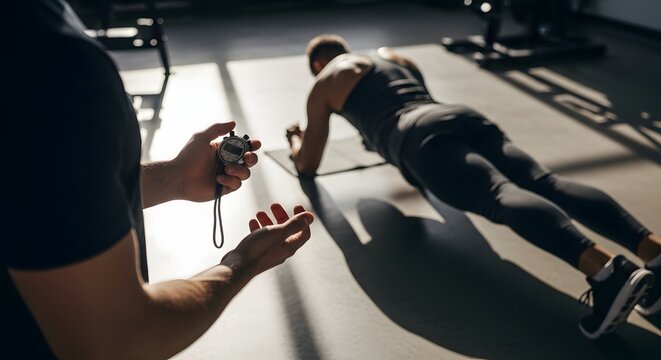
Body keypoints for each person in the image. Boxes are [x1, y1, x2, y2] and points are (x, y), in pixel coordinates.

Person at [287, 34, 661, 340]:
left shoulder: (324, 83)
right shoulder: (389, 57)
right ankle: (654, 252)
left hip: (416, 138)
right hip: (457, 115)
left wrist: (295, 141)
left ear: (318, 64)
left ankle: (608, 273)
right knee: (545, 182)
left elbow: (309, 165)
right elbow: (421, 98)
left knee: (499, 195)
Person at [3, 1, 315, 359]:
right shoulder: (54, 62)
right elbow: (118, 340)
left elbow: (35, 194)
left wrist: (174, 178)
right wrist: (243, 263)